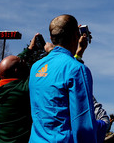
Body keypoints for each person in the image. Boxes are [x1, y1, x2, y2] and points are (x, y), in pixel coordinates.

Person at [29, 14, 108, 142]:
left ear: (51, 37)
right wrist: (104, 123)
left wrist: (79, 51)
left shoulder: (35, 68)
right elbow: (83, 125)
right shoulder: (77, 69)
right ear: (75, 36)